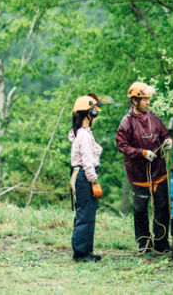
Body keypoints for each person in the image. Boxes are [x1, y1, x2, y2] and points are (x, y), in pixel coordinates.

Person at [116, 81, 173, 254]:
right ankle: (143, 243)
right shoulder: (126, 123)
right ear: (135, 101)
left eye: (149, 99)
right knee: (140, 210)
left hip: (159, 173)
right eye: (145, 99)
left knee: (162, 208)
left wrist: (169, 141)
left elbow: (165, 134)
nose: (148, 102)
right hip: (139, 175)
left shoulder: (154, 117)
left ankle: (161, 243)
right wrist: (141, 153)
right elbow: (122, 145)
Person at [70, 95, 103, 263]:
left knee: (89, 214)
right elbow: (88, 161)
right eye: (95, 111)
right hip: (86, 176)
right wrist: (94, 181)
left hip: (85, 176)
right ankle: (80, 253)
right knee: (84, 214)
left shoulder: (83, 133)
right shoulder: (83, 135)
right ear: (89, 114)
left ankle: (87, 250)